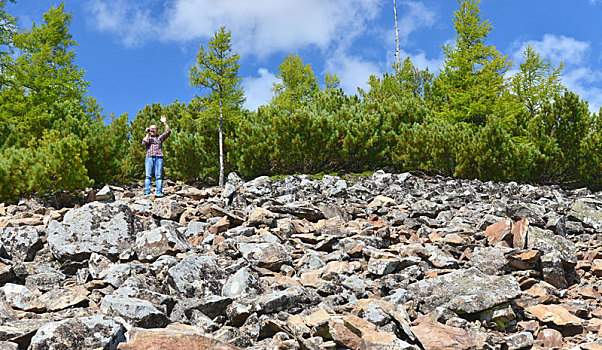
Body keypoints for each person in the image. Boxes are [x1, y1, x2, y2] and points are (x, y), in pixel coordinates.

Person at [142, 115, 171, 195]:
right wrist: (147, 134)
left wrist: (164, 123)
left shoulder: (160, 138)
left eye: (154, 129)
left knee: (158, 175)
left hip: (159, 157)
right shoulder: (148, 138)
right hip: (149, 157)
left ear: (157, 130)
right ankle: (147, 190)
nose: (152, 131)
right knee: (148, 175)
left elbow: (168, 132)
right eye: (151, 129)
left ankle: (159, 191)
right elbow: (144, 143)